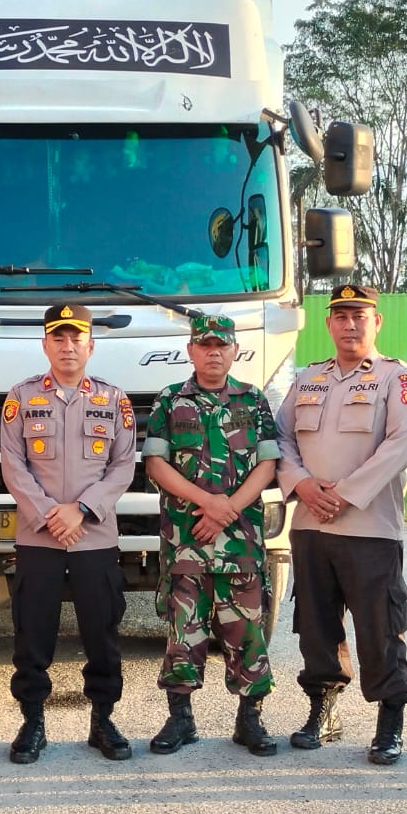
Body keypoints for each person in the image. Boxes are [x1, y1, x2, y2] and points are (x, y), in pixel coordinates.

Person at [275, 284, 407, 763]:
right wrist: (301, 484)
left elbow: (402, 444)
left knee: (381, 627)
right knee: (316, 625)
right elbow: (278, 437)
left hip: (369, 527)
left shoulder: (397, 379)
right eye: (341, 316)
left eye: (360, 316)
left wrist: (343, 493)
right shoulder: (308, 378)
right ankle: (323, 711)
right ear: (328, 324)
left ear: (376, 322)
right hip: (310, 524)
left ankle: (390, 720)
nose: (350, 325)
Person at [0, 303, 137, 764]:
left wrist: (80, 510)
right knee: (32, 631)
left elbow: (123, 465)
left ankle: (103, 721)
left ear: (90, 346)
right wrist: (48, 514)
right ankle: (32, 722)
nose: (67, 346)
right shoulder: (21, 397)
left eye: (75, 338)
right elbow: (12, 464)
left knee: (102, 631)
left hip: (93, 536)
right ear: (45, 345)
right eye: (57, 338)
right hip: (38, 536)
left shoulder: (113, 400)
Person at [141, 314, 282, 757]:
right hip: (187, 540)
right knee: (183, 631)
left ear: (235, 350)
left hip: (240, 542)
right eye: (205, 345)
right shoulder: (170, 400)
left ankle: (250, 719)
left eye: (222, 345)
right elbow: (155, 464)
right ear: (191, 351)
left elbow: (268, 464)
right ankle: (180, 719)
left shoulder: (253, 400)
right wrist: (208, 503)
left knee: (247, 633)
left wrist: (228, 509)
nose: (214, 352)